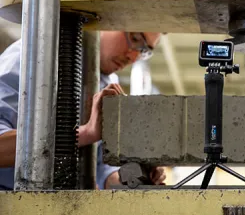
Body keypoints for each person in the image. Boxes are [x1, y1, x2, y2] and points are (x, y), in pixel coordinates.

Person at [0, 31, 166, 189]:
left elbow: (101, 171)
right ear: (107, 19)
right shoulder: (32, 58)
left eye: (144, 51)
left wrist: (135, 177)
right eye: (135, 38)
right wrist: (84, 134)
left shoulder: (107, 86)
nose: (133, 56)